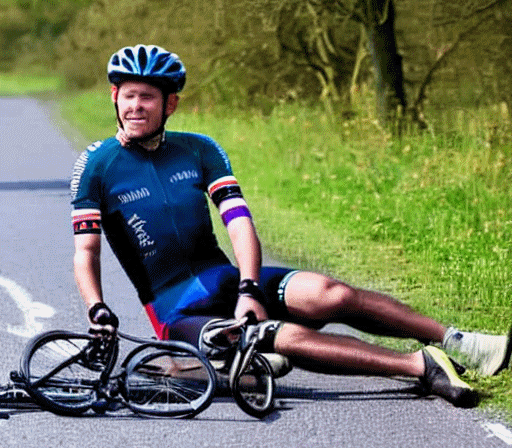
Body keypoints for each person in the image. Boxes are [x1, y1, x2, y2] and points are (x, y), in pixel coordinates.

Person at [71, 44, 511, 409]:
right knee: (274, 335)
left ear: (170, 104)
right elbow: (87, 253)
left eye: (147, 97)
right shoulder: (98, 165)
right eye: (128, 95)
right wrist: (97, 309)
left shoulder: (198, 150)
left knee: (329, 295)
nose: (135, 106)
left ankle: (460, 341)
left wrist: (247, 288)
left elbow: (239, 222)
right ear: (114, 97)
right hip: (177, 310)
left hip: (224, 279)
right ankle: (421, 366)